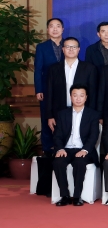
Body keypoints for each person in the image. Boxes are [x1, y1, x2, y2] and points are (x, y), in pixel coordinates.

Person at [52, 85, 100, 206]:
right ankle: (64, 196)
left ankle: (77, 196)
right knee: (58, 162)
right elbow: (57, 135)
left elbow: (94, 136)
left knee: (79, 162)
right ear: (70, 97)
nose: (78, 98)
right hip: (66, 149)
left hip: (83, 150)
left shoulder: (93, 114)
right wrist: (60, 149)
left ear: (86, 97)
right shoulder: (62, 114)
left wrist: (85, 150)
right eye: (75, 95)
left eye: (81, 95)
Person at [46, 37, 98, 134]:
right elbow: (49, 93)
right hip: (59, 112)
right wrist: (50, 115)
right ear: (63, 49)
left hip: (83, 112)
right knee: (61, 139)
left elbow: (93, 93)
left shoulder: (89, 68)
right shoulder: (54, 69)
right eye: (68, 47)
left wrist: (91, 114)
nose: (71, 49)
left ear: (79, 49)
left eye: (74, 47)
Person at [35, 18, 65, 154]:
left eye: (58, 26)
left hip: (66, 89)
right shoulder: (42, 47)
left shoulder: (69, 44)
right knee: (47, 118)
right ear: (48, 30)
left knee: (64, 118)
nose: (55, 29)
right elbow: (38, 69)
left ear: (62, 29)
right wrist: (39, 89)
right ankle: (47, 149)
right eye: (52, 26)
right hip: (47, 89)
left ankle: (64, 147)